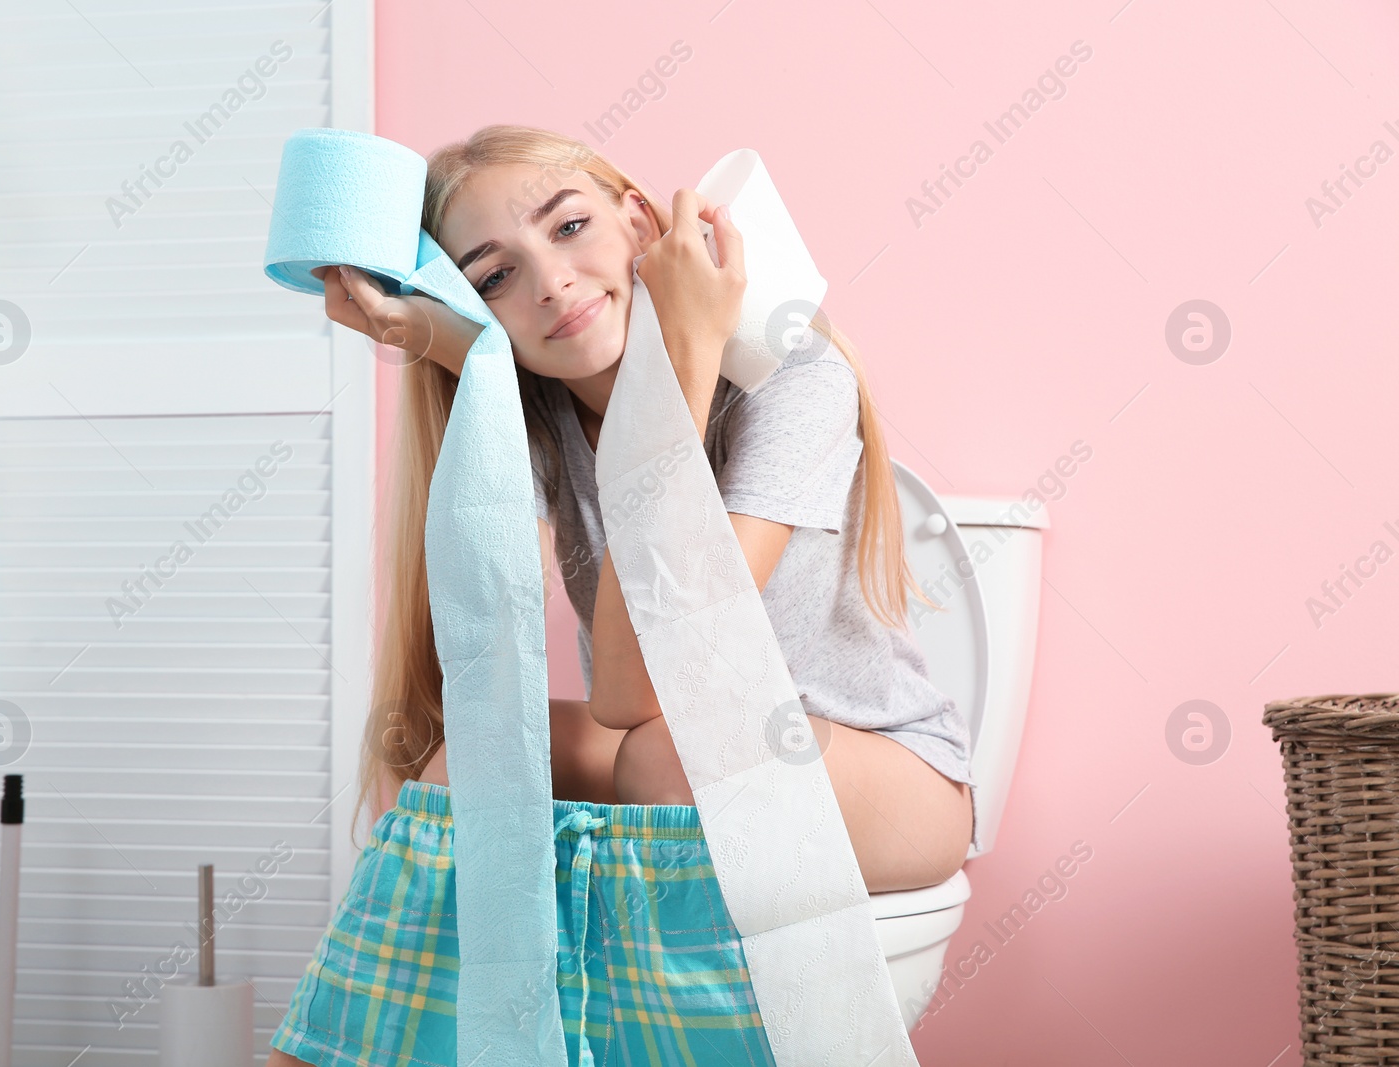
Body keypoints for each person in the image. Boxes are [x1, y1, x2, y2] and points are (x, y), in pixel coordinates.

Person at [266, 124, 974, 1067]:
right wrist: (418, 326)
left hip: (884, 772)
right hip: (676, 752)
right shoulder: (544, 408)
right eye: (494, 277)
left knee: (667, 758)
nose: (551, 282)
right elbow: (480, 355)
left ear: (640, 218)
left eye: (568, 226)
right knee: (469, 759)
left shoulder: (797, 378)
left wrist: (678, 357)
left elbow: (640, 690)